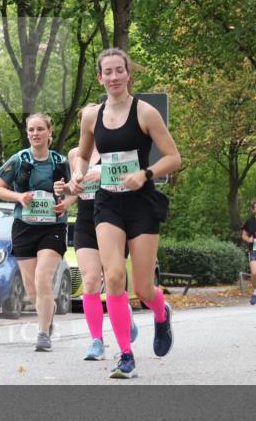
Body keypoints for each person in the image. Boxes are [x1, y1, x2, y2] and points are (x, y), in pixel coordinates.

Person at [69, 48, 181, 379]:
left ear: (128, 74)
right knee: (114, 277)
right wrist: (78, 173)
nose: (115, 77)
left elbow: (173, 158)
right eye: (109, 72)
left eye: (120, 70)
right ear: (100, 77)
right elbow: (82, 154)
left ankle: (161, 313)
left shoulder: (145, 113)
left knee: (144, 288)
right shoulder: (92, 117)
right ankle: (126, 355)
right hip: (107, 202)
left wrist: (145, 174)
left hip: (141, 202)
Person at [55, 117, 139, 361]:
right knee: (90, 281)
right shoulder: (75, 154)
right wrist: (65, 199)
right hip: (85, 221)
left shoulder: (114, 150)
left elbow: (131, 182)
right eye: (86, 122)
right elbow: (75, 191)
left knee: (114, 279)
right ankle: (96, 341)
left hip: (113, 218)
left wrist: (104, 175)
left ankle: (125, 317)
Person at [0, 113, 70, 353]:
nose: (35, 134)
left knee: (42, 278)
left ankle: (42, 333)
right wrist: (19, 196)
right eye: (31, 130)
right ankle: (48, 317)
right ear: (27, 133)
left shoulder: (61, 162)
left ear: (50, 132)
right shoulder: (19, 160)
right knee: (32, 289)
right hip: (24, 227)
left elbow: (76, 189)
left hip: (53, 226)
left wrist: (66, 203)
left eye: (40, 129)